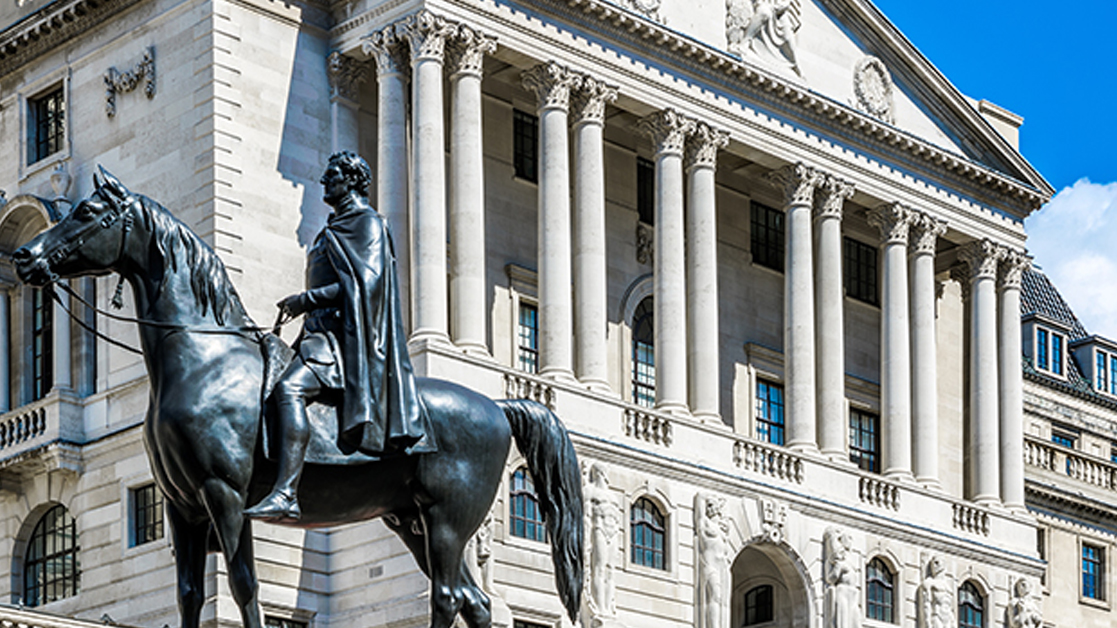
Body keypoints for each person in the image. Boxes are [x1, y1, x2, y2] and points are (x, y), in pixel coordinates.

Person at [246, 151, 435, 521]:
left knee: (289, 390)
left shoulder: (367, 224)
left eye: (331, 175)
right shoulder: (336, 226)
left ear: (351, 179)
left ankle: (286, 493)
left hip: (344, 343)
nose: (323, 182)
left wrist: (306, 299)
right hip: (319, 335)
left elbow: (367, 286)